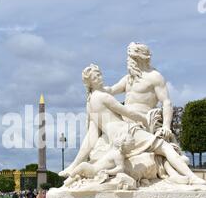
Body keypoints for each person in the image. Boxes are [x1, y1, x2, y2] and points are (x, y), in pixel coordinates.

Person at [60, 64, 205, 186]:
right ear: (89, 83)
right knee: (165, 147)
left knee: (158, 153)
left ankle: (175, 176)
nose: (100, 78)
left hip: (115, 139)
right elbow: (126, 111)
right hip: (128, 132)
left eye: (99, 74)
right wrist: (144, 119)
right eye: (95, 77)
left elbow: (91, 137)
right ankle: (192, 177)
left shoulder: (90, 102)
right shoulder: (104, 97)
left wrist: (75, 163)